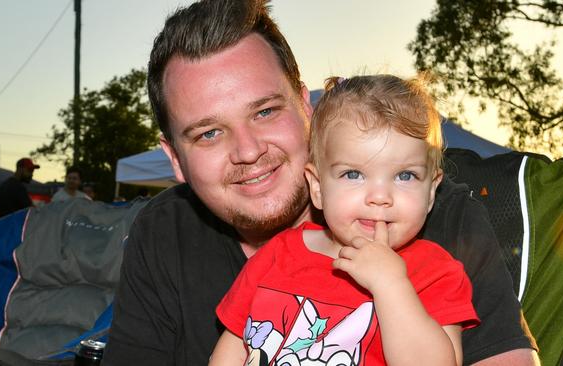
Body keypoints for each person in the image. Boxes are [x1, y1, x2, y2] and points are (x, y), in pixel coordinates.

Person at [103, 0, 538, 365]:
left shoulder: (441, 218)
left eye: (265, 111)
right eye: (209, 133)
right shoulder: (164, 233)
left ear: (306, 108)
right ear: (174, 159)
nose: (249, 149)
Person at [210, 75, 480, 365]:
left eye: (405, 175)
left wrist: (391, 286)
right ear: (317, 187)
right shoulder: (276, 255)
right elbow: (234, 346)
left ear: (430, 191)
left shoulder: (435, 273)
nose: (379, 196)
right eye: (353, 174)